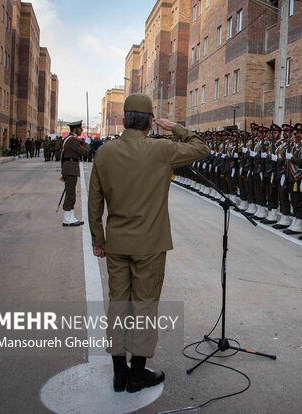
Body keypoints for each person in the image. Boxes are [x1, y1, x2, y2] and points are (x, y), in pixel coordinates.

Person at [88, 94, 209, 393]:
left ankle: (119, 373)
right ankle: (137, 374)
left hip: (116, 243)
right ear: (149, 122)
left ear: (125, 120)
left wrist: (98, 240)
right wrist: (177, 128)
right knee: (143, 307)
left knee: (118, 305)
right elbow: (202, 149)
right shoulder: (161, 149)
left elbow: (94, 201)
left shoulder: (104, 152)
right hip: (150, 246)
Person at [61, 121, 90, 227]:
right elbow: (85, 153)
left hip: (69, 168)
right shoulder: (73, 140)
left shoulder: (70, 139)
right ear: (75, 130)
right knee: (70, 194)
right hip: (70, 169)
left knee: (71, 193)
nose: (82, 130)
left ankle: (70, 216)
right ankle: (67, 218)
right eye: (80, 128)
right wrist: (87, 143)